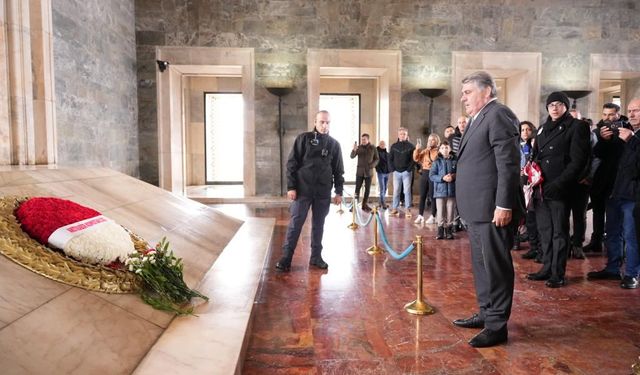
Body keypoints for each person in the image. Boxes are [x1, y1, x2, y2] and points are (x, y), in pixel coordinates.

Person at [454, 71, 522, 348]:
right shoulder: (479, 117)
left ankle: (497, 325)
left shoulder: (498, 114)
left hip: (491, 208)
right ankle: (486, 311)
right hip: (476, 209)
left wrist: (503, 204)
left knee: (495, 266)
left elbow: (508, 164)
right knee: (482, 266)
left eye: (468, 92)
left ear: (487, 91)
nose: (463, 98)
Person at [526, 92, 590, 288]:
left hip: (560, 188)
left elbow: (578, 162)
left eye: (558, 104)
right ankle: (546, 267)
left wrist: (559, 184)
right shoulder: (542, 128)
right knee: (545, 231)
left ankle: (558, 273)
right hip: (541, 188)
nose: (554, 108)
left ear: (565, 106)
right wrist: (529, 172)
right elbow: (537, 156)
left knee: (559, 232)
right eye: (551, 104)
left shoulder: (577, 126)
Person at [275, 110, 344, 272]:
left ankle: (316, 257)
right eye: (321, 122)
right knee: (295, 223)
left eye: (327, 122)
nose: (325, 125)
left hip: (323, 192)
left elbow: (338, 170)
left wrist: (338, 192)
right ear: (315, 122)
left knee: (319, 225)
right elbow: (292, 164)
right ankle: (286, 257)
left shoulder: (334, 144)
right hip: (302, 190)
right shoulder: (303, 139)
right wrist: (291, 187)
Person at [588, 99, 640, 289]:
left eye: (637, 111)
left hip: (632, 193)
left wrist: (632, 140)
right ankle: (612, 268)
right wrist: (604, 140)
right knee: (612, 232)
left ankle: (632, 273)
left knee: (631, 234)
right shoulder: (614, 131)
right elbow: (603, 156)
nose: (633, 114)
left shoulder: (632, 135)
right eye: (631, 110)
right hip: (613, 189)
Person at [519, 121, 542, 262]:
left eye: (528, 129)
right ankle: (533, 247)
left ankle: (541, 249)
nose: (525, 132)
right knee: (529, 219)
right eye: (522, 130)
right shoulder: (519, 147)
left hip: (535, 186)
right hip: (522, 185)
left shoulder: (537, 146)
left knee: (536, 218)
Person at [429, 140, 457, 239]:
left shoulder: (455, 160)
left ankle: (449, 230)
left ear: (450, 149)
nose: (444, 150)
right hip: (440, 191)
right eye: (442, 148)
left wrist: (453, 176)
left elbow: (459, 173)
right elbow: (432, 175)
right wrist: (442, 178)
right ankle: (440, 231)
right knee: (440, 211)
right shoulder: (436, 161)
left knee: (450, 211)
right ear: (439, 150)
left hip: (451, 191)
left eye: (446, 147)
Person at [413, 133, 440, 224]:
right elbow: (416, 159)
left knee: (432, 196)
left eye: (433, 140)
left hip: (433, 174)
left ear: (437, 141)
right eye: (429, 140)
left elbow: (434, 159)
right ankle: (420, 215)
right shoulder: (425, 150)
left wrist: (429, 151)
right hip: (424, 173)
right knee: (422, 195)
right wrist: (417, 149)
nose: (430, 141)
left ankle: (433, 216)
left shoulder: (438, 151)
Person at [389, 127, 415, 215]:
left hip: (406, 172)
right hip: (396, 172)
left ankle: (408, 209)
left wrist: (408, 169)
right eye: (401, 134)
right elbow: (390, 159)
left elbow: (413, 159)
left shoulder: (411, 146)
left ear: (407, 135)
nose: (402, 135)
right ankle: (394, 208)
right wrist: (393, 169)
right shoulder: (393, 146)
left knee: (407, 191)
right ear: (398, 135)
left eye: (404, 134)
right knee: (396, 191)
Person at [350, 133, 379, 211]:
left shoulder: (373, 148)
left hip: (369, 172)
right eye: (362, 139)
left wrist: (372, 166)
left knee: (367, 189)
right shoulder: (358, 148)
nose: (362, 141)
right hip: (359, 172)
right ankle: (354, 205)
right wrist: (354, 150)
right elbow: (352, 156)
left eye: (364, 139)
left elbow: (377, 159)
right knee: (357, 189)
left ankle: (364, 204)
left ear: (368, 140)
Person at [375, 140, 390, 209]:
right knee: (382, 188)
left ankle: (380, 203)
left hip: (387, 172)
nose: (382, 145)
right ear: (379, 144)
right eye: (381, 144)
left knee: (385, 188)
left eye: (384, 144)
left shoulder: (387, 153)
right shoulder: (376, 152)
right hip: (380, 172)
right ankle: (383, 203)